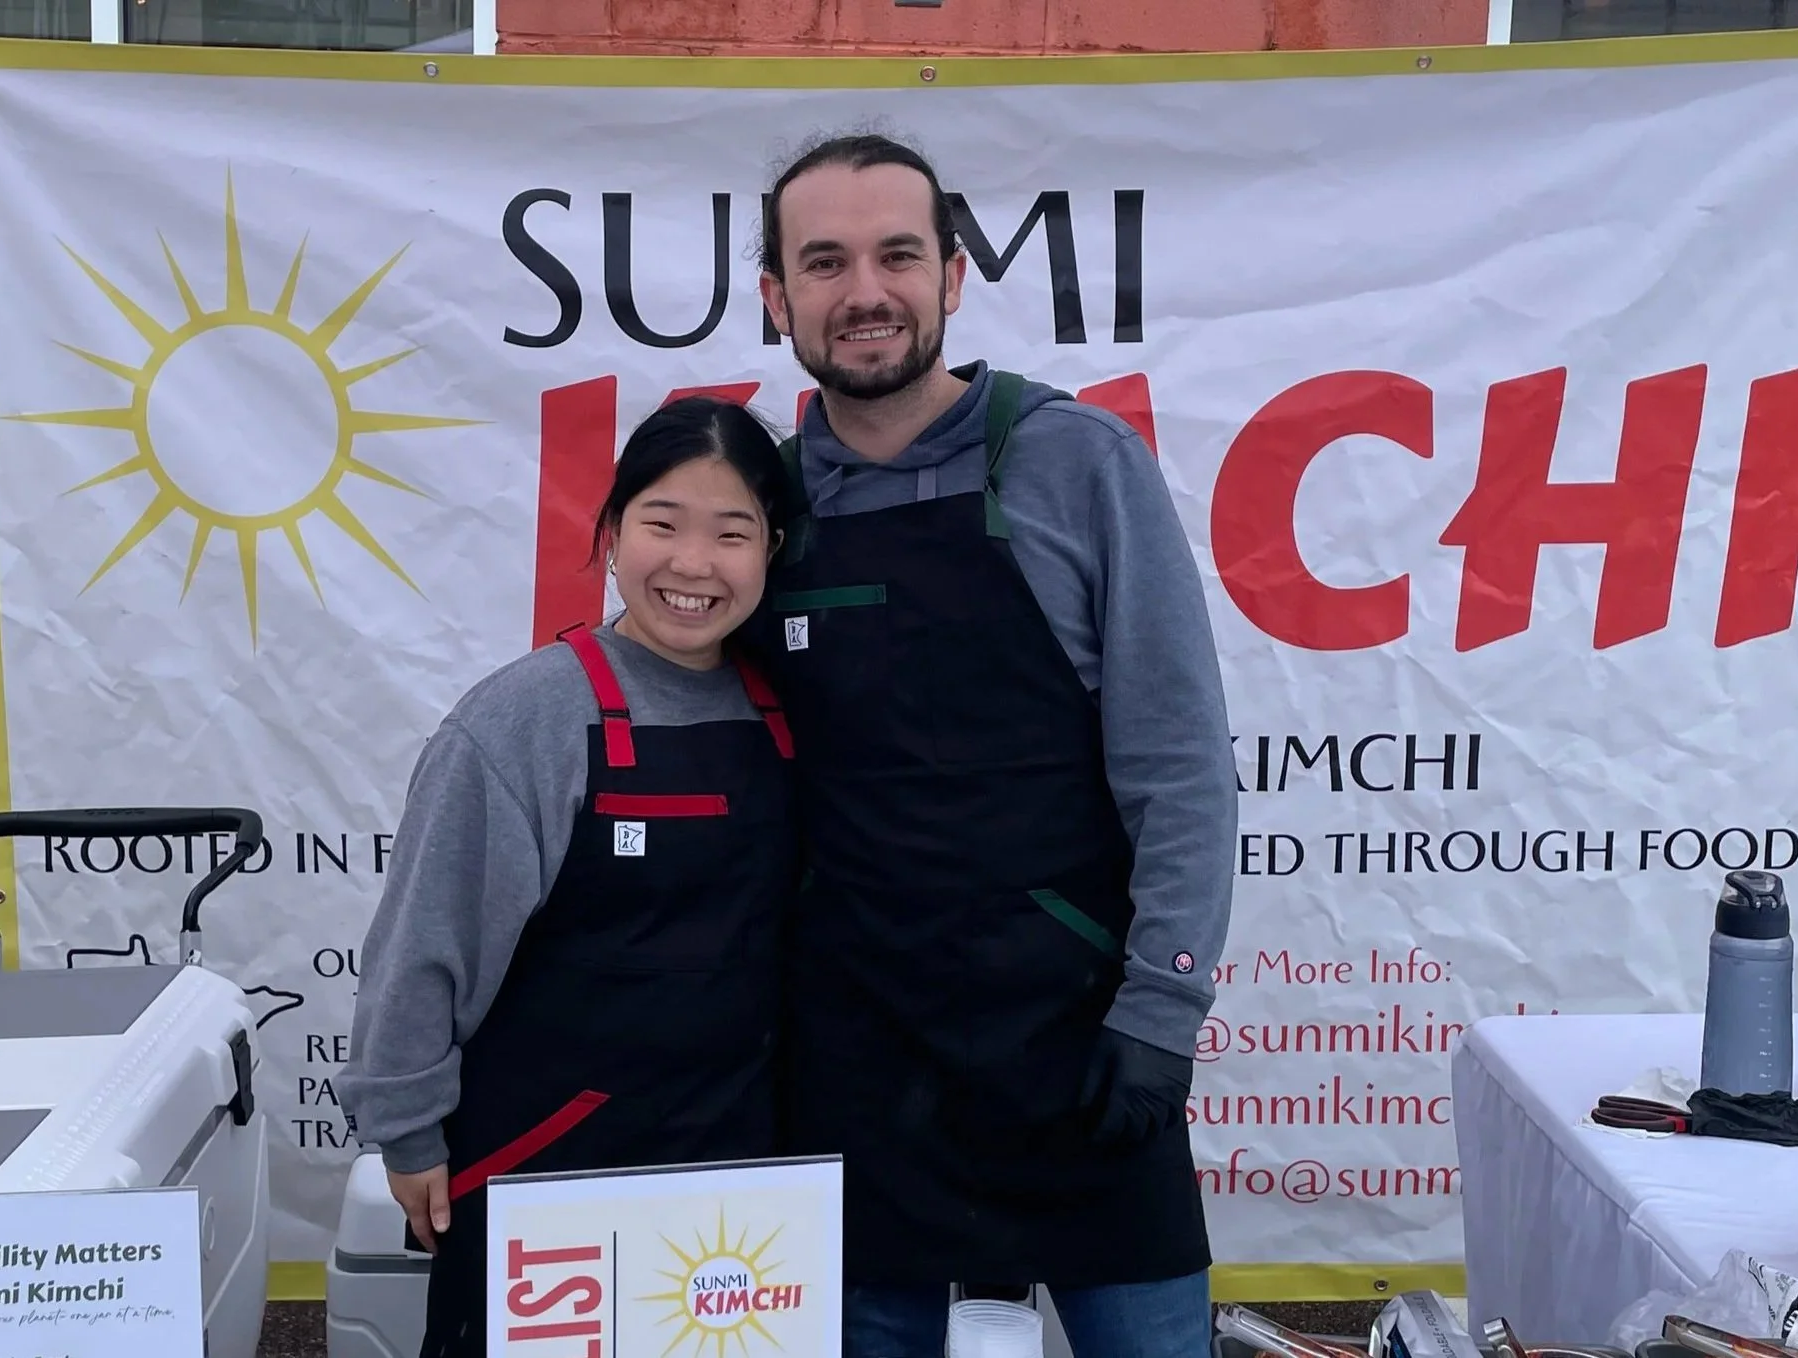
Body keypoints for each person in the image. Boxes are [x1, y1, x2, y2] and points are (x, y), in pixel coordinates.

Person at [752, 133, 1239, 1357]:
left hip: (1080, 1052)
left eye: (897, 253)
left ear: (953, 276)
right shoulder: (754, 508)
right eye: (824, 261)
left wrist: (1161, 1010)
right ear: (778, 299)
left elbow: (1180, 764)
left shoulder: (1076, 462)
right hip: (855, 1072)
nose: (864, 290)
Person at [336, 397, 800, 1358]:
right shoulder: (527, 720)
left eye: (732, 533)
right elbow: (426, 940)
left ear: (773, 548)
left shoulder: (793, 710)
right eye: (663, 523)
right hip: (545, 1168)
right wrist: (409, 1131)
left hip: (743, 1181)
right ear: (613, 528)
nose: (693, 564)